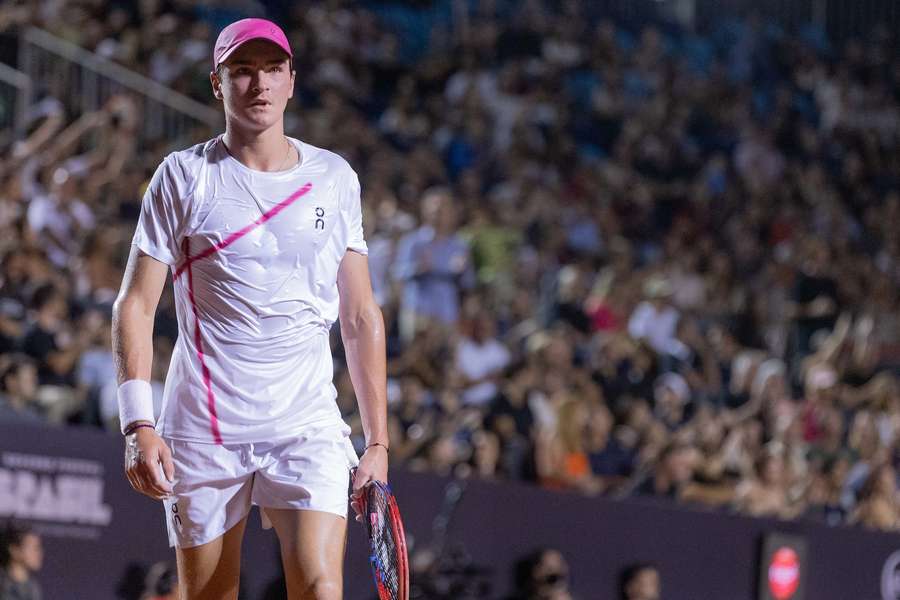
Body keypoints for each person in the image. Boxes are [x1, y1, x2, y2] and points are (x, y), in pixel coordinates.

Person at [111, 18, 388, 600]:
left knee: (320, 584)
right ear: (218, 84)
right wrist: (138, 422)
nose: (258, 84)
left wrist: (378, 442)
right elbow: (136, 304)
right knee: (210, 593)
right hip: (206, 423)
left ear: (292, 81)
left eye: (272, 69)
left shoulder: (334, 179)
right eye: (242, 70)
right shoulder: (183, 177)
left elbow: (360, 315)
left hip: (304, 418)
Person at [0, 522, 43, 600]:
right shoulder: (3, 586)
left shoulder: (32, 587)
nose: (39, 553)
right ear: (14, 550)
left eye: (39, 548)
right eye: (34, 548)